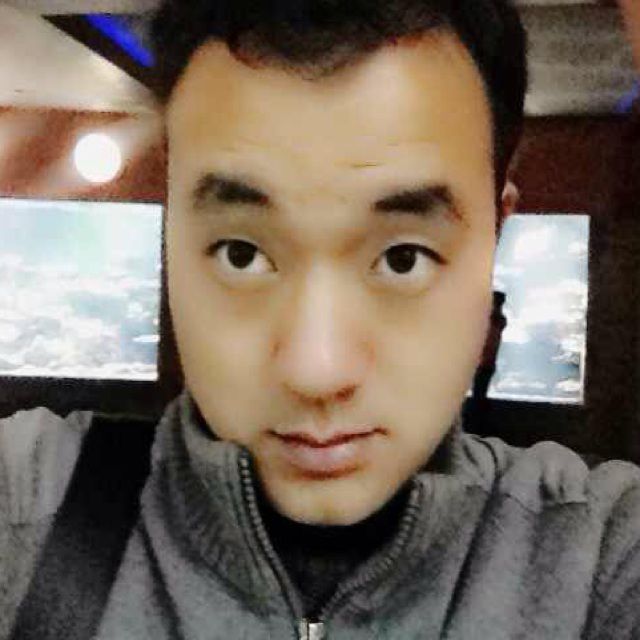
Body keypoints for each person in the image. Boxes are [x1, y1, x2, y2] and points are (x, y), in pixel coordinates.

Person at [1, 1, 640, 638]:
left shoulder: (597, 560)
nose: (316, 370)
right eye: (241, 253)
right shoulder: (30, 510)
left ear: (496, 234)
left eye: (403, 258)